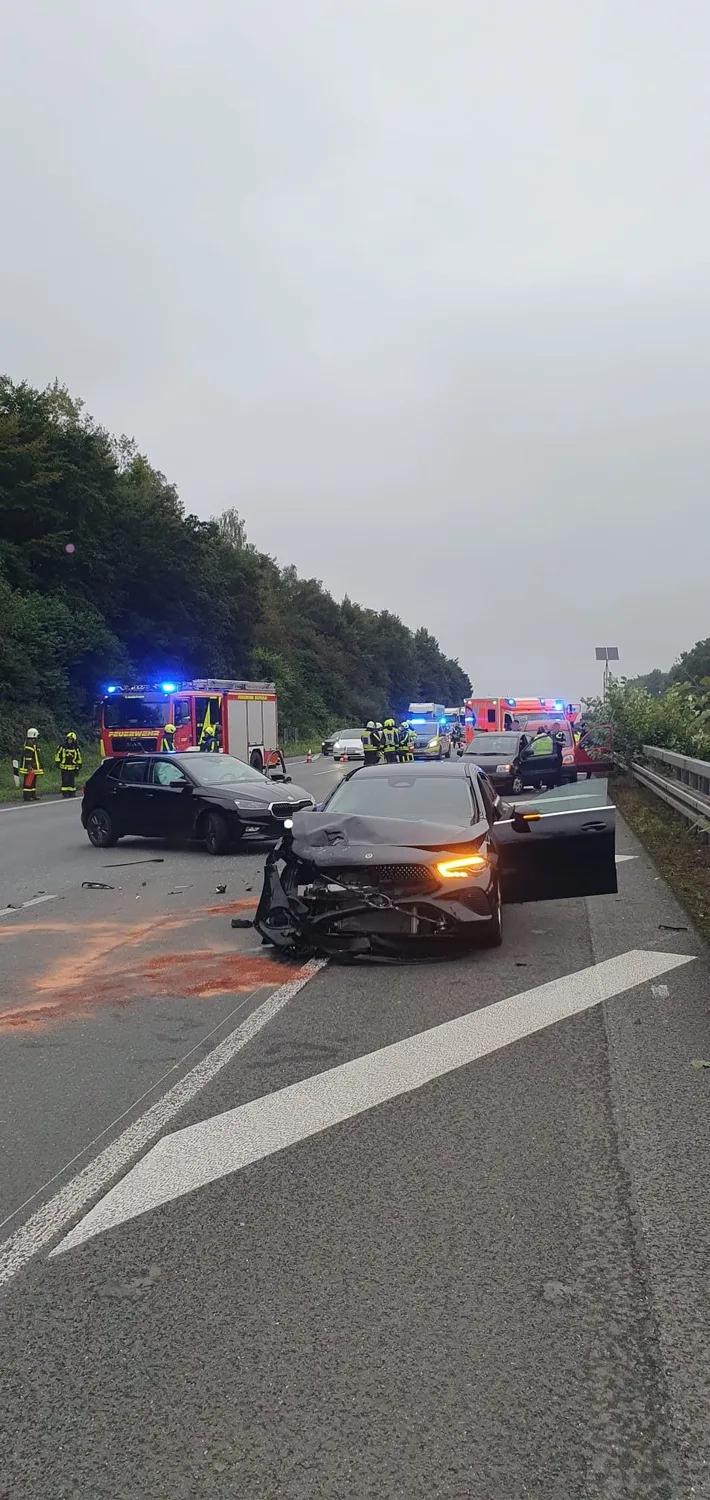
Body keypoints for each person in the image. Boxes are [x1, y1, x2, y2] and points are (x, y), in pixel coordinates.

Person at [54, 731, 82, 798]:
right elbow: (57, 754)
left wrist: (79, 764)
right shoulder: (62, 746)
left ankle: (72, 793)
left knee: (71, 781)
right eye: (69, 739)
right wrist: (57, 762)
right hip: (64, 767)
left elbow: (79, 757)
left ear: (74, 740)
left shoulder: (76, 748)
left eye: (71, 739)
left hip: (73, 767)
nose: (70, 740)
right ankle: (65, 793)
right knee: (65, 780)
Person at [19, 728, 43, 802]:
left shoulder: (32, 742)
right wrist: (29, 766)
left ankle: (32, 795)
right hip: (29, 766)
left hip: (33, 766)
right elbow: (28, 756)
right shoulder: (29, 743)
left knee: (32, 781)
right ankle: (27, 797)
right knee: (28, 782)